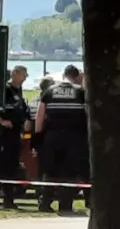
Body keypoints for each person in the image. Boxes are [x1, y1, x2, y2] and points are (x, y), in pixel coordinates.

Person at [34, 65, 88, 215]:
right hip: (74, 138)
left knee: (50, 170)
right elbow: (88, 115)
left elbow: (40, 116)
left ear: (64, 75)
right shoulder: (81, 92)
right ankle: (65, 204)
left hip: (52, 137)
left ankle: (45, 202)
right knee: (70, 172)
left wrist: (38, 138)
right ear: (76, 77)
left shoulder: (50, 91)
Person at [0, 66, 29, 210]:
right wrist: (1, 121)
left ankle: (9, 199)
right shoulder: (5, 90)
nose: (26, 77)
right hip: (2, 134)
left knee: (12, 168)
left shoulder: (19, 91)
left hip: (15, 134)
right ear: (15, 74)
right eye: (24, 74)